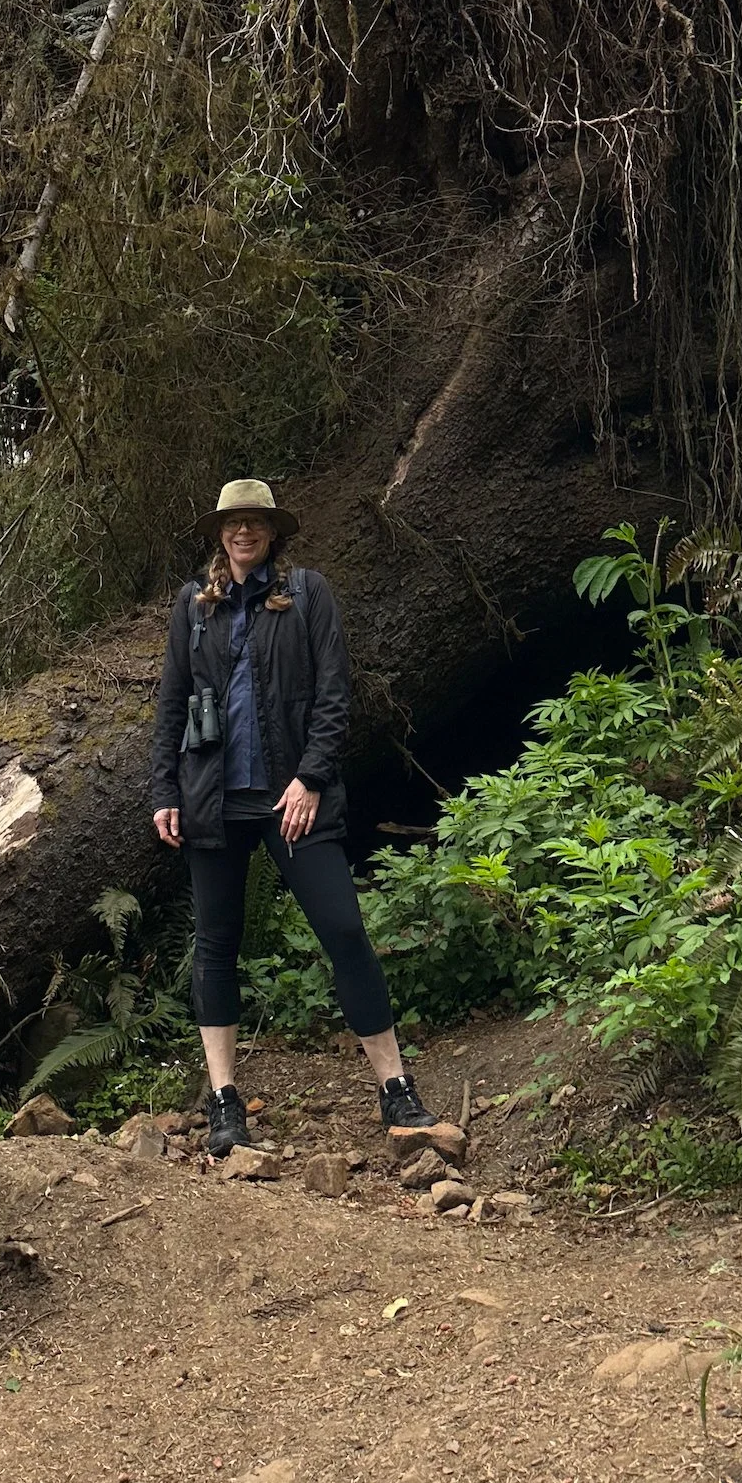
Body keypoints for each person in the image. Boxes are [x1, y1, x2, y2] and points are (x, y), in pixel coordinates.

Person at [151, 478, 438, 1159]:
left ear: (272, 531)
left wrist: (310, 778)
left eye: (255, 521)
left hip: (293, 800)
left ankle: (395, 1087)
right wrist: (163, 791)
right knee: (217, 944)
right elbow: (170, 706)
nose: (243, 532)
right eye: (232, 522)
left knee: (343, 929)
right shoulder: (193, 607)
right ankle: (224, 1101)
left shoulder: (308, 595)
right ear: (220, 533)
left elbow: (335, 696)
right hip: (213, 800)